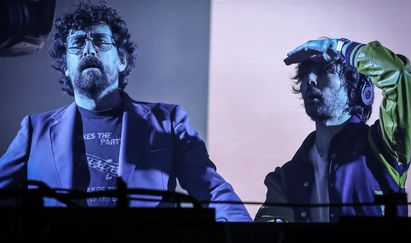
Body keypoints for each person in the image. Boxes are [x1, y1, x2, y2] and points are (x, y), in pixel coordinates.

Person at [0, 2, 251, 222]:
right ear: (65, 66)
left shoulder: (169, 121)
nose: (88, 50)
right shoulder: (35, 129)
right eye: (77, 43)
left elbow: (211, 189)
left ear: (121, 60)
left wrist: (248, 234)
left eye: (99, 40)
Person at [255, 38, 411, 222]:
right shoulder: (286, 178)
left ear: (356, 89)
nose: (310, 80)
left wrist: (340, 47)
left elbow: (403, 79)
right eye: (305, 74)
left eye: (324, 71)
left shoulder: (384, 146)